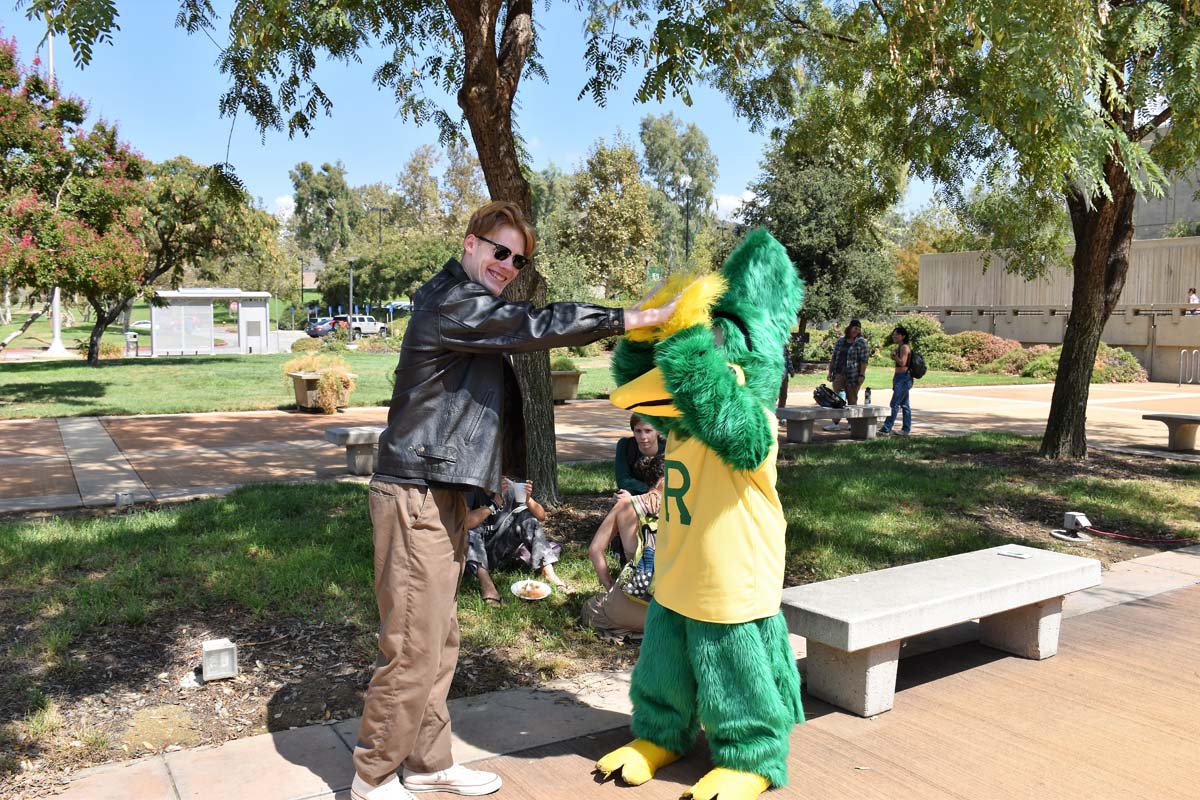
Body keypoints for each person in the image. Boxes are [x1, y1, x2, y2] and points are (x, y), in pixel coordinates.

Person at [351, 200, 680, 800]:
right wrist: (630, 318)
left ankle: (427, 764)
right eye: (499, 251)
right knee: (412, 644)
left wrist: (497, 485)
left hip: (442, 493)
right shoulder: (454, 302)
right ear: (471, 243)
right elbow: (536, 326)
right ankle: (372, 777)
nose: (508, 265)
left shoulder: (467, 305)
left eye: (518, 260)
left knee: (440, 637)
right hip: (414, 493)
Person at [582, 442, 665, 640]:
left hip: (629, 598)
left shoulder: (627, 505)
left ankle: (631, 630)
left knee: (590, 609)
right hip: (673, 606)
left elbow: (595, 550)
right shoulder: (683, 509)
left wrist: (610, 586)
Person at [464, 477, 568, 605]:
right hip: (474, 554)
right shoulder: (470, 488)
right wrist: (493, 505)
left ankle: (549, 573)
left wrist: (528, 499)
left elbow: (541, 516)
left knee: (527, 518)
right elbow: (465, 523)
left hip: (500, 549)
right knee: (470, 530)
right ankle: (487, 585)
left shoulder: (510, 487)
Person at [823, 319, 869, 431]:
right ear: (849, 328)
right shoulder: (841, 341)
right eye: (854, 328)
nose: (856, 330)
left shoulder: (861, 342)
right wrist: (830, 372)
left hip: (853, 375)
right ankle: (835, 423)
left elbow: (864, 360)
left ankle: (851, 423)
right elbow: (834, 357)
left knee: (852, 399)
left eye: (858, 329)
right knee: (836, 398)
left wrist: (861, 375)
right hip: (839, 373)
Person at [878, 325, 912, 436]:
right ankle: (906, 429)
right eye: (894, 334)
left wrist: (894, 356)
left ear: (903, 336)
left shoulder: (904, 348)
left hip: (904, 378)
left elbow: (902, 363)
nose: (894, 336)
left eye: (897, 334)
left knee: (894, 404)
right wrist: (894, 379)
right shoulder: (900, 347)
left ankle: (887, 428)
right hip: (900, 377)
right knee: (905, 405)